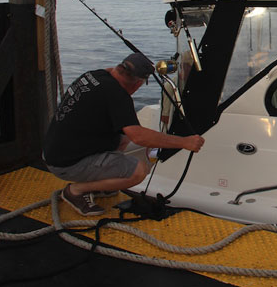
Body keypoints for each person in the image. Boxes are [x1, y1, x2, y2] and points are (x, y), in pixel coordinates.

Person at [43, 52, 205, 216]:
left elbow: (130, 132)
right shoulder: (117, 96)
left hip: (55, 150)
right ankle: (76, 190)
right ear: (137, 84)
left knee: (124, 134)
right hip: (65, 164)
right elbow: (139, 137)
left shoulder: (96, 75)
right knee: (139, 171)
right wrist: (184, 142)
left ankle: (100, 183)